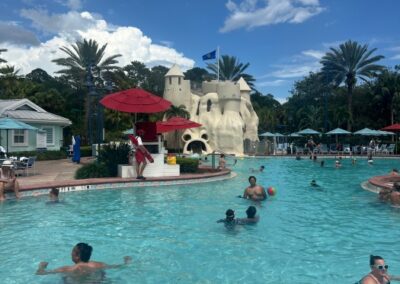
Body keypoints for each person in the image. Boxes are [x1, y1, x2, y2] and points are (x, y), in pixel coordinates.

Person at [36, 243, 131, 275]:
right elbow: (120, 267)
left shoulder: (67, 269)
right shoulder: (99, 264)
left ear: (77, 256)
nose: (70, 253)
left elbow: (40, 273)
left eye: (72, 251)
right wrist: (126, 262)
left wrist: (42, 266)